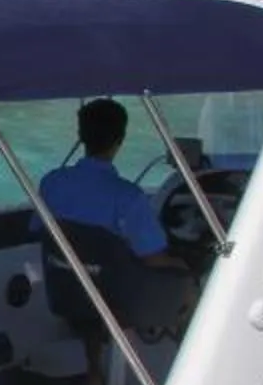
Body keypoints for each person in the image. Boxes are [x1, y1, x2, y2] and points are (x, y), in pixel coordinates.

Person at [37, 98, 175, 264]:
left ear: (81, 136)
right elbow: (154, 258)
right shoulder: (130, 198)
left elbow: (38, 229)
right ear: (121, 139)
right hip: (112, 289)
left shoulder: (51, 182)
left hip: (60, 286)